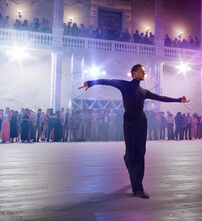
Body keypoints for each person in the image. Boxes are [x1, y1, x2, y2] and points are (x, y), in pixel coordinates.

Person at [79, 64, 189, 199]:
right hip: (130, 124)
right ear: (134, 73)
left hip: (142, 123)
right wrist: (89, 83)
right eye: (141, 71)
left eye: (144, 71)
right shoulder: (125, 85)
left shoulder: (144, 92)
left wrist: (178, 100)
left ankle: (138, 187)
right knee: (131, 154)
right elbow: (108, 81)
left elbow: (160, 97)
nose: (144, 73)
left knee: (141, 153)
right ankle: (128, 162)